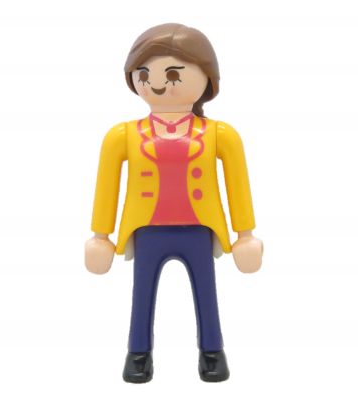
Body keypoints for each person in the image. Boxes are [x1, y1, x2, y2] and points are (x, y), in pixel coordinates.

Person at [85, 23, 263, 383]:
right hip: (146, 229)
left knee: (206, 292)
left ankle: (212, 350)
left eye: (172, 74)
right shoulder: (122, 135)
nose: (156, 83)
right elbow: (106, 186)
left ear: (206, 77)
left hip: (199, 228)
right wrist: (101, 236)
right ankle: (138, 352)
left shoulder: (220, 134)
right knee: (142, 293)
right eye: (144, 74)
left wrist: (245, 234)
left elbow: (238, 184)